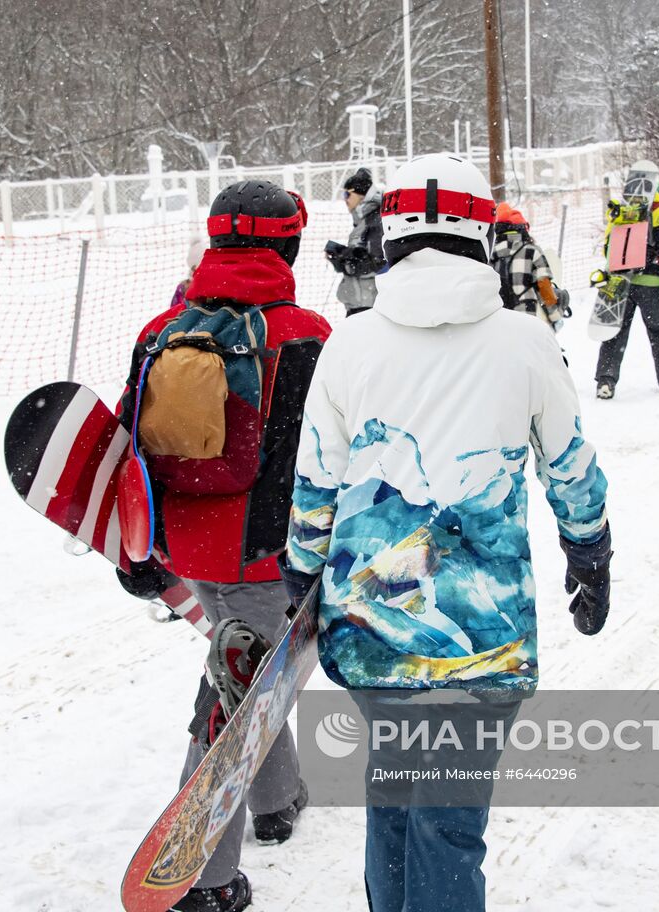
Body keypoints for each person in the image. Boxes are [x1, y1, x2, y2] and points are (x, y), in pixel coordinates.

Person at [280, 154, 611, 912]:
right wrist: (591, 550)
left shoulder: (350, 344)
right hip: (479, 637)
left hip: (372, 636)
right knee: (449, 826)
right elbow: (569, 468)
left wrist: (302, 573)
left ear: (391, 232)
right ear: (481, 235)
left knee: (395, 806)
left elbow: (318, 481)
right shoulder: (524, 343)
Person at [115, 180, 331, 912]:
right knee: (235, 700)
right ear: (288, 243)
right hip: (269, 558)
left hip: (185, 548)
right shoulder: (307, 335)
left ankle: (278, 800)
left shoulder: (160, 331)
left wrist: (135, 552)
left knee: (253, 674)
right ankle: (201, 882)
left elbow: (124, 454)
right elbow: (330, 457)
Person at [592, 160, 659, 399]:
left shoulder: (620, 213)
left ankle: (606, 380)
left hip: (617, 281)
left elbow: (607, 248)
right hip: (650, 284)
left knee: (614, 333)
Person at [490, 202, 567, 331]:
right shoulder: (531, 252)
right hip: (527, 322)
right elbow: (545, 290)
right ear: (522, 229)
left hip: (498, 324)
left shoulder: (490, 255)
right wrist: (555, 317)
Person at [326, 166, 385, 316]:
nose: (345, 198)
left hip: (370, 306)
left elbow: (380, 264)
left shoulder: (375, 221)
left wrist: (346, 261)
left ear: (361, 195)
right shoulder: (363, 220)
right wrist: (342, 256)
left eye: (347, 193)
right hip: (360, 303)